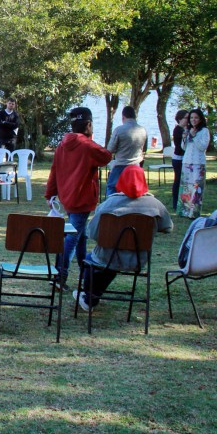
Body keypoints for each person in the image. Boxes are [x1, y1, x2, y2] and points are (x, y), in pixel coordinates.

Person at [74, 165, 173, 311]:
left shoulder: (109, 204)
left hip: (107, 257)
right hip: (137, 259)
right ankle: (91, 297)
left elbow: (92, 233)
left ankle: (90, 298)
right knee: (104, 262)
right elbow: (168, 227)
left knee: (90, 260)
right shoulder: (155, 205)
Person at [43, 107, 113, 289]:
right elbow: (106, 156)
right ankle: (60, 275)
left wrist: (50, 193)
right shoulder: (87, 145)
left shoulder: (62, 145)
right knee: (72, 238)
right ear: (88, 125)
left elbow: (55, 170)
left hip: (67, 196)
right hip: (82, 198)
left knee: (80, 236)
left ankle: (85, 273)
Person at [105, 105, 148, 196]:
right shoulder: (143, 130)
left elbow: (110, 149)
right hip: (136, 165)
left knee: (112, 186)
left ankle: (111, 206)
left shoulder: (119, 130)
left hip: (121, 164)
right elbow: (144, 148)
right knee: (134, 188)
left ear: (123, 117)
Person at [178, 109, 210, 219]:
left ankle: (194, 211)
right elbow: (183, 147)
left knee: (196, 188)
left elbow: (203, 146)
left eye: (196, 117)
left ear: (200, 119)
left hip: (198, 163)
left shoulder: (204, 131)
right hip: (187, 162)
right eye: (191, 118)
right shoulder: (188, 129)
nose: (193, 120)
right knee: (186, 187)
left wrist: (194, 136)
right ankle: (184, 210)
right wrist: (185, 137)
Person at [170, 110, 188, 211]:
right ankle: (175, 202)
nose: (188, 120)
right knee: (178, 180)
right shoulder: (178, 130)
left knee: (181, 180)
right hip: (178, 158)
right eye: (186, 118)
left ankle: (181, 201)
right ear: (180, 119)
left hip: (182, 158)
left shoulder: (183, 129)